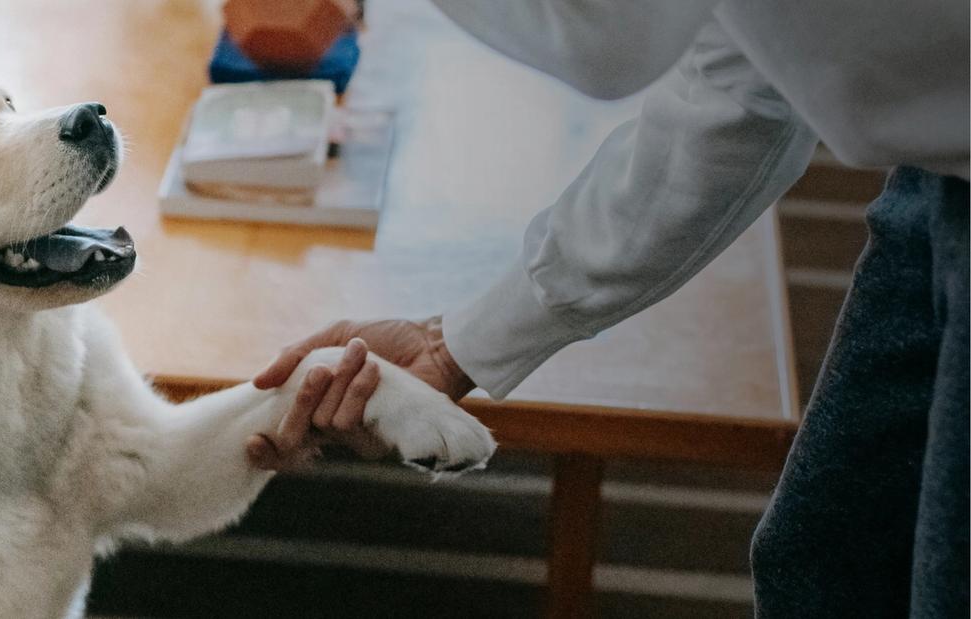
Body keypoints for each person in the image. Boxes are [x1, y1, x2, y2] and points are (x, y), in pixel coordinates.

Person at [245, 0, 969, 615]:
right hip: (941, 163)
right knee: (825, 564)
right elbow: (741, 85)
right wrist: (454, 343)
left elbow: (602, 41)